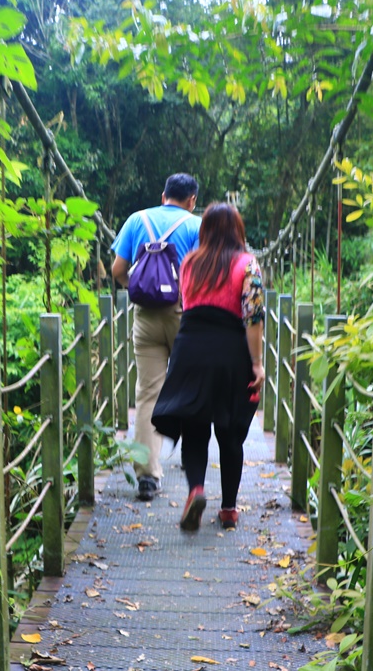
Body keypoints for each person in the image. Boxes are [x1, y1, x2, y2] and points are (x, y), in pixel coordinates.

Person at [151, 202, 265, 531]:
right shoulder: (248, 265)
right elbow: (253, 318)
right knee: (230, 433)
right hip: (230, 350)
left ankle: (196, 491)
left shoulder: (189, 263)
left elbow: (187, 305)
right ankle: (228, 509)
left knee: (196, 427)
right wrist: (256, 364)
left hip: (190, 349)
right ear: (238, 230)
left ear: (204, 231)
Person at [111, 173, 201, 501]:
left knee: (148, 393)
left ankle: (147, 476)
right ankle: (191, 456)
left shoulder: (137, 220)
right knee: (190, 387)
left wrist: (140, 289)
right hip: (185, 315)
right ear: (191, 200)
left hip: (146, 315)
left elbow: (117, 270)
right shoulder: (197, 226)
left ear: (163, 195)